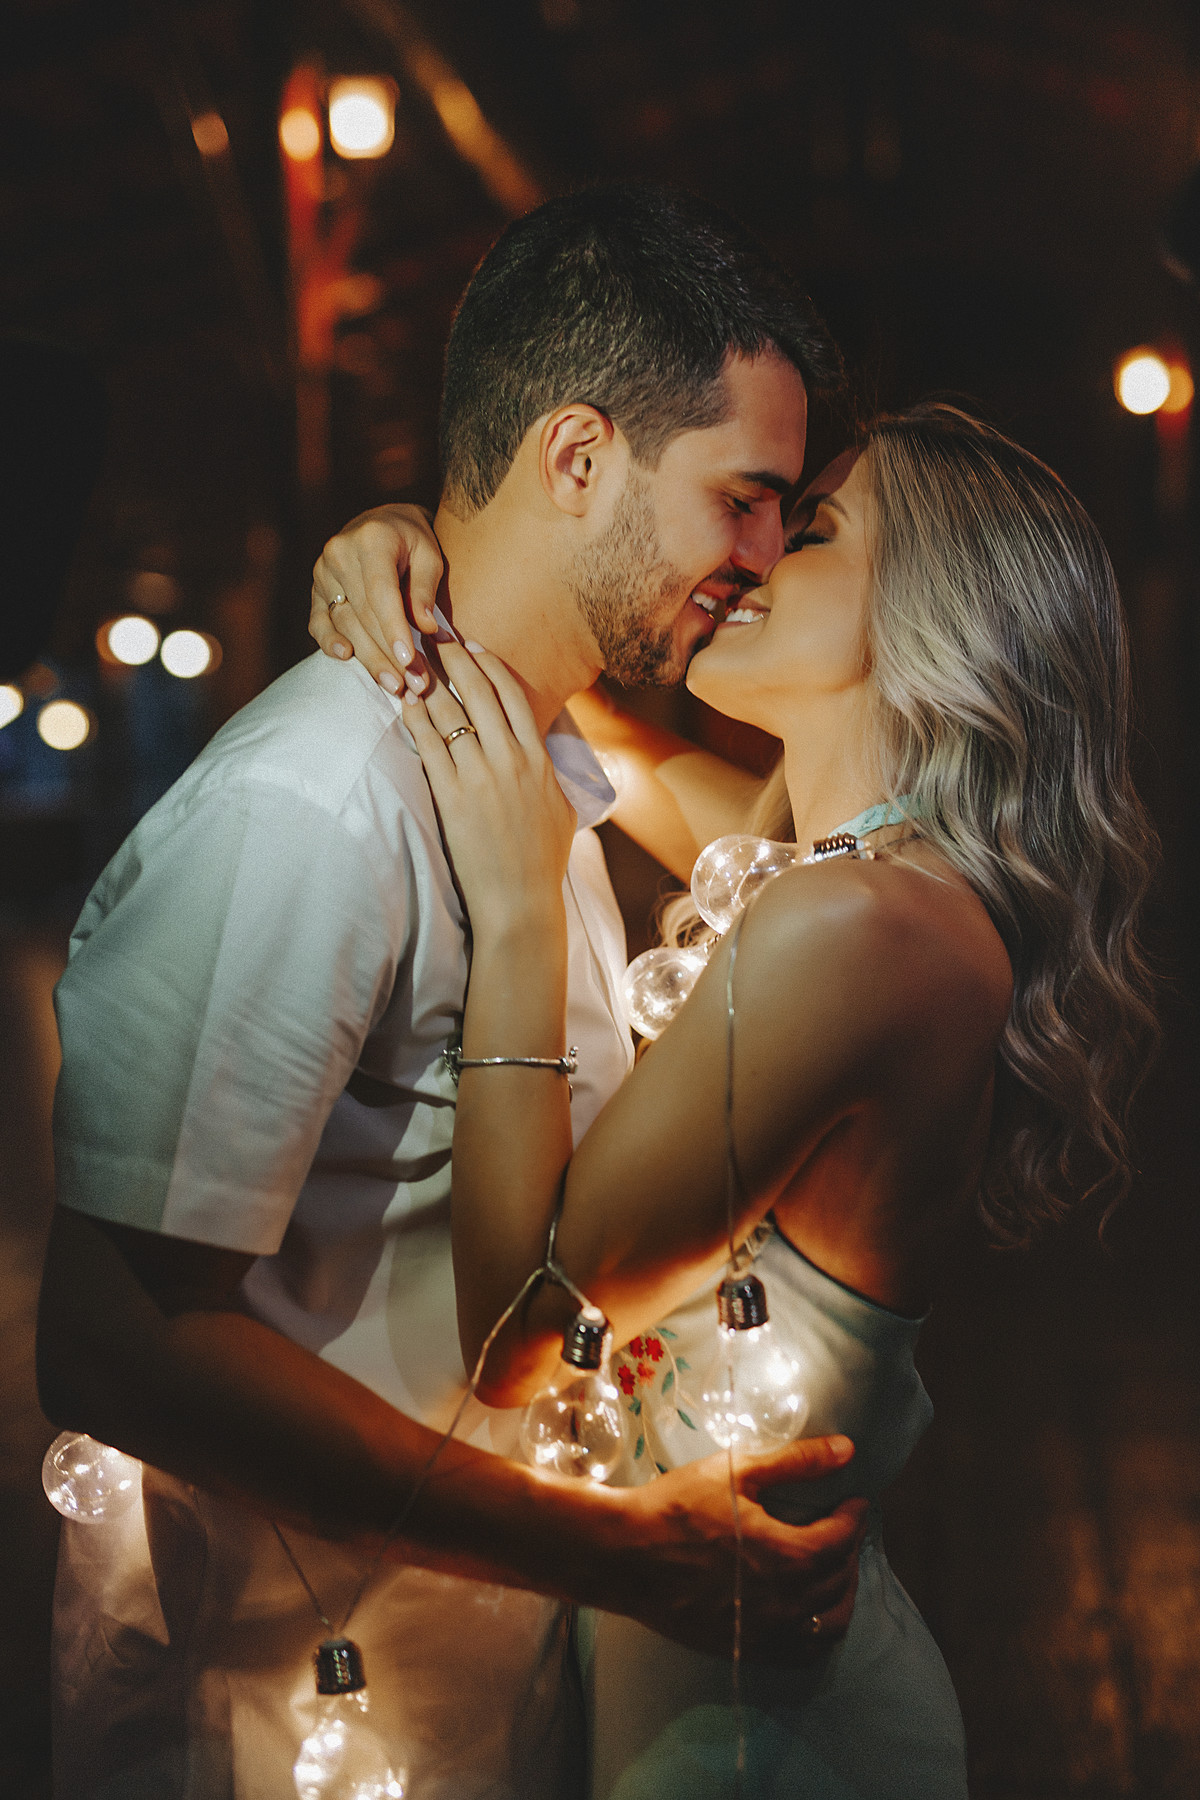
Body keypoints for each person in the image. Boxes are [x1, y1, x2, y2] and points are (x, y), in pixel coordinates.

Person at [37, 185, 868, 1800]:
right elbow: (116, 1343)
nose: (760, 562)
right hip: (268, 1724)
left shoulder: (525, 775)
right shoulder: (312, 806)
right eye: (745, 499)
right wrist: (622, 1554)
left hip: (474, 1688)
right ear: (576, 459)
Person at [319, 405, 1157, 1796]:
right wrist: (409, 552)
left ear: (942, 607)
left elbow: (524, 1327)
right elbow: (587, 726)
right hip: (692, 1672)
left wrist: (521, 912)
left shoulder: (866, 930)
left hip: (767, 1733)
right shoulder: (823, 878)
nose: (753, 555)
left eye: (812, 529)